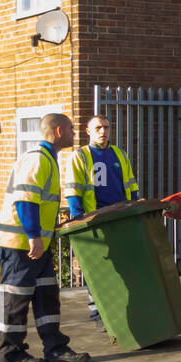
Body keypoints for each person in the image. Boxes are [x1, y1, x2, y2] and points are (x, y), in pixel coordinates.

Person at [0, 113, 91, 362]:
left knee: (47, 295)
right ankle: (10, 352)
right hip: (20, 244)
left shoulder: (47, 159)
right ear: (58, 131)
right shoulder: (38, 159)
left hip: (36, 245)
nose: (73, 133)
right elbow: (25, 200)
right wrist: (34, 236)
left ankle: (55, 347)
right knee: (17, 297)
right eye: (70, 128)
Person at [63, 116, 139, 322]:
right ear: (88, 131)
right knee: (98, 267)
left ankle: (123, 307)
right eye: (97, 128)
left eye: (106, 127)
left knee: (122, 264)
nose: (103, 131)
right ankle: (97, 311)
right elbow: (73, 192)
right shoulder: (81, 156)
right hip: (95, 219)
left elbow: (131, 185)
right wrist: (80, 220)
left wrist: (134, 208)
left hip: (120, 217)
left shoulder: (119, 154)